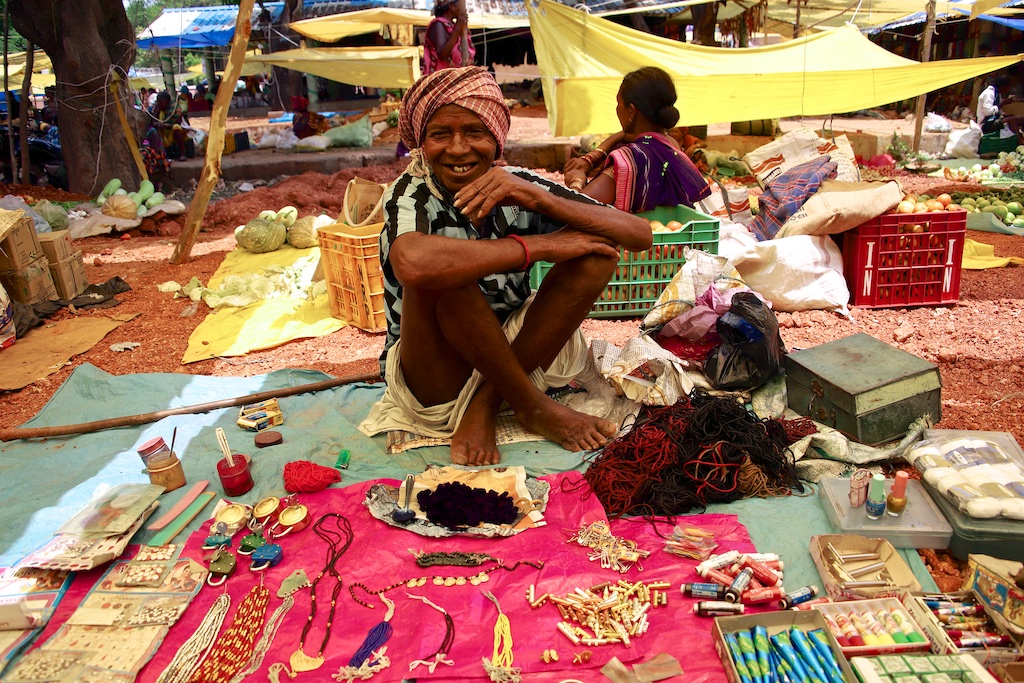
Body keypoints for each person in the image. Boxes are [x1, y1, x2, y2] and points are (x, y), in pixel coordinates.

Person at [359, 66, 652, 466]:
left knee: (595, 254)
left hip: (512, 354)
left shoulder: (515, 183)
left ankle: (492, 402)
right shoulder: (410, 192)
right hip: (436, 373)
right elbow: (412, 263)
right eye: (440, 134)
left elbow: (638, 234)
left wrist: (541, 199)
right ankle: (532, 405)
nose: (458, 149)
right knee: (440, 273)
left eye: (474, 133)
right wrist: (540, 246)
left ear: (496, 138)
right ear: (422, 143)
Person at [563, 66, 711, 213]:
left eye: (618, 103)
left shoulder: (627, 160)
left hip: (633, 228)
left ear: (631, 111)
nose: (617, 109)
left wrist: (577, 180)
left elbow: (576, 209)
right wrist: (592, 158)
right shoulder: (671, 145)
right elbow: (625, 135)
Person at [424, 0, 475, 74]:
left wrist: (463, 28)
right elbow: (442, 55)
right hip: (439, 77)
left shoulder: (454, 26)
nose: (465, 9)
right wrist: (457, 29)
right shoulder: (438, 24)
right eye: (462, 5)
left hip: (455, 76)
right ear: (452, 6)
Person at [149, 91, 188, 161]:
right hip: (162, 132)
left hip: (172, 131)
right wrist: (157, 112)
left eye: (161, 101)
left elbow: (178, 122)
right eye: (158, 101)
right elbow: (153, 122)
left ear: (167, 101)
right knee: (153, 131)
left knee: (176, 128)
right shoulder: (158, 108)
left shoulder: (174, 108)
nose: (159, 103)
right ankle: (159, 154)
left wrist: (166, 125)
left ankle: (182, 153)